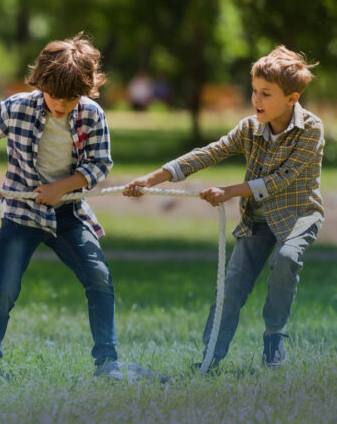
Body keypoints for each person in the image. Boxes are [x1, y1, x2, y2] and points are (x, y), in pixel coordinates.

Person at [124, 46, 323, 372]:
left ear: (292, 98)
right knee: (231, 288)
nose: (256, 100)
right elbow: (208, 153)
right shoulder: (249, 128)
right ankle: (210, 357)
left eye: (266, 94)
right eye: (254, 91)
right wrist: (154, 176)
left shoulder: (311, 130)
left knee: (286, 260)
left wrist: (229, 192)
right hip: (257, 219)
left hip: (298, 215)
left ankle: (274, 339)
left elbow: (281, 180)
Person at [0, 34, 122, 380]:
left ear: (86, 90)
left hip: (69, 214)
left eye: (71, 98)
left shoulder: (92, 115)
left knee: (99, 277)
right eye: (55, 96)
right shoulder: (18, 107)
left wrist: (61, 189)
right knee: (3, 289)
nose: (62, 104)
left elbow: (99, 164)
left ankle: (108, 362)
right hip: (21, 217)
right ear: (40, 82)